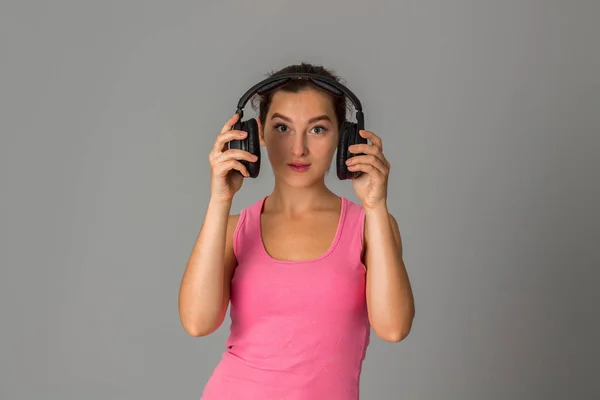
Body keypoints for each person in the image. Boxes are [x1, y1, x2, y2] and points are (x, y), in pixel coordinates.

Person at [178, 63, 415, 399]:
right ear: (257, 133)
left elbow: (393, 328)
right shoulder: (234, 228)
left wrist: (376, 204)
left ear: (345, 137)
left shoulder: (370, 227)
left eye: (317, 129)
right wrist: (220, 199)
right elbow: (197, 322)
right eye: (282, 128)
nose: (299, 148)